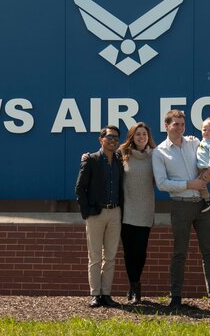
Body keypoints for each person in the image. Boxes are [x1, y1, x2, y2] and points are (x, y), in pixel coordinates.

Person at [152, 109, 210, 311]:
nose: (180, 128)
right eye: (176, 124)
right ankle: (175, 297)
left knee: (209, 251)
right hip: (180, 205)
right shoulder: (159, 152)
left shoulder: (194, 142)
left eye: (182, 124)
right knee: (179, 253)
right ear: (166, 126)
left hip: (203, 205)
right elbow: (162, 183)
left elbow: (209, 161)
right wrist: (189, 185)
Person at [75, 125, 123, 308]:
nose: (113, 141)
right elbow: (80, 188)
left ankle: (106, 294)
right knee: (94, 256)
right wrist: (86, 212)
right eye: (109, 137)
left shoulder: (119, 161)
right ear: (100, 139)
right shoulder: (91, 160)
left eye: (116, 138)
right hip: (96, 213)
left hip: (115, 213)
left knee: (110, 256)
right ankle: (95, 294)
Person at [117, 122, 157, 305]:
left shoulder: (155, 156)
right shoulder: (122, 155)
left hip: (145, 211)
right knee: (129, 252)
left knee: (140, 252)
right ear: (132, 137)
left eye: (145, 134)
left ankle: (135, 284)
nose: (142, 137)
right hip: (126, 211)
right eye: (138, 134)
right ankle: (134, 288)